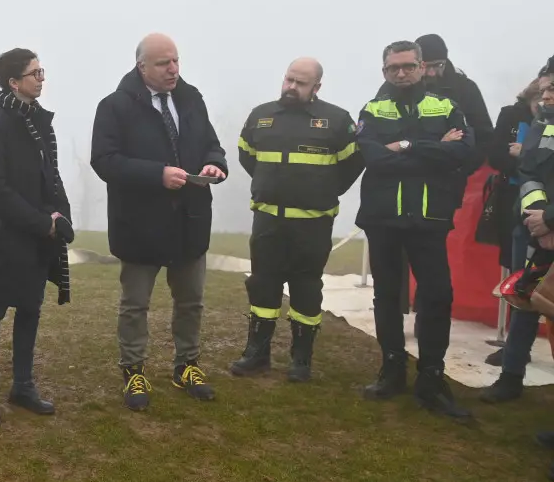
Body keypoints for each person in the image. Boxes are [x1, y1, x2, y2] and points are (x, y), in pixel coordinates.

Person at [90, 33, 227, 412]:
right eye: (164, 63)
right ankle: (133, 370)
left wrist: (216, 164)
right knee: (135, 305)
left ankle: (187, 366)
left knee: (191, 302)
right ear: (142, 67)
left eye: (176, 61)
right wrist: (158, 175)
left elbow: (212, 143)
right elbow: (104, 161)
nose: (174, 69)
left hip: (190, 221)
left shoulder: (191, 98)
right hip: (139, 225)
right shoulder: (115, 106)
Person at [357, 39, 475, 421]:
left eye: (408, 66)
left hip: (429, 220)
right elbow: (370, 156)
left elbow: (462, 153)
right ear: (384, 72)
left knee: (438, 295)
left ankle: (432, 379)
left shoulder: (446, 106)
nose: (402, 73)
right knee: (387, 297)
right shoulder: (373, 109)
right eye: (394, 68)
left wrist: (402, 147)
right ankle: (391, 371)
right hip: (383, 218)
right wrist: (428, 148)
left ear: (423, 67)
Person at [230, 58, 364, 382]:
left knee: (306, 290)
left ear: (316, 87)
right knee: (263, 286)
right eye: (289, 79)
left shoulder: (336, 120)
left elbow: (353, 163)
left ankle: (301, 360)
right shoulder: (261, 116)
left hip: (312, 225)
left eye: (300, 83)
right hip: (268, 222)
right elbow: (247, 155)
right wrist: (271, 185)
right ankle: (257, 354)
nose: (291, 86)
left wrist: (322, 189)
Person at [0, 48, 73, 428]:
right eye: (35, 73)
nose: (42, 78)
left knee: (30, 306)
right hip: (2, 235)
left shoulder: (41, 122)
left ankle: (22, 386)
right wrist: (40, 222)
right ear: (14, 82)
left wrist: (62, 214)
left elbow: (50, 176)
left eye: (42, 71)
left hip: (36, 235)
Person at [479, 69, 551, 389]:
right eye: (544, 89)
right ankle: (510, 376)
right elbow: (528, 170)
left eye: (553, 90)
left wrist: (550, 218)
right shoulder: (540, 123)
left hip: (546, 222)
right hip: (531, 224)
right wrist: (538, 219)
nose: (546, 96)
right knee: (524, 296)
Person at [414, 33, 492, 175]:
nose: (431, 73)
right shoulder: (399, 86)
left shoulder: (465, 88)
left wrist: (462, 170)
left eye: (438, 65)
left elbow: (484, 135)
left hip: (453, 174)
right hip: (410, 171)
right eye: (426, 66)